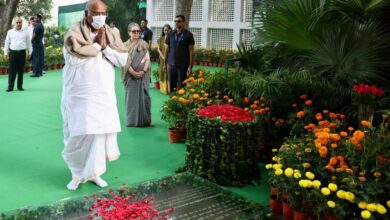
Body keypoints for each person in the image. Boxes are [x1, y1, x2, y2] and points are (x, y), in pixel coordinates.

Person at [61, 0, 128, 190]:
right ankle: (77, 174)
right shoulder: (74, 33)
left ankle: (94, 173)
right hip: (79, 94)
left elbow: (122, 59)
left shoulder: (111, 33)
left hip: (102, 95)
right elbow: (73, 61)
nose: (100, 16)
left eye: (103, 13)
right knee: (78, 134)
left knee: (97, 136)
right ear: (86, 13)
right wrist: (97, 47)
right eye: (96, 13)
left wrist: (105, 47)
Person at [121, 23, 151, 127]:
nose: (136, 33)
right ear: (129, 32)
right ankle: (132, 121)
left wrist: (143, 71)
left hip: (143, 75)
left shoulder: (143, 44)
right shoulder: (124, 46)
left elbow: (147, 59)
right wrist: (132, 72)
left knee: (145, 97)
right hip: (130, 76)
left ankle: (145, 121)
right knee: (131, 98)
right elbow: (124, 61)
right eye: (134, 31)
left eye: (138, 31)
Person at [164, 15, 195, 91]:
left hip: (183, 65)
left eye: (179, 21)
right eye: (175, 21)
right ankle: (172, 101)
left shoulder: (188, 35)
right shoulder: (170, 34)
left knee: (182, 86)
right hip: (172, 65)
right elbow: (167, 49)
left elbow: (192, 51)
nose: (176, 23)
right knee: (172, 87)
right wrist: (165, 64)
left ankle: (181, 101)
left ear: (184, 23)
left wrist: (190, 67)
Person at [3, 18, 32, 92]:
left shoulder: (26, 32)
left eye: (20, 22)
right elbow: (7, 42)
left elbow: (29, 43)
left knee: (21, 70)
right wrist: (5, 53)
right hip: (13, 53)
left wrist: (30, 52)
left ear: (22, 23)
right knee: (12, 70)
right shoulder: (10, 32)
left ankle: (20, 86)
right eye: (17, 22)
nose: (18, 24)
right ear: (14, 23)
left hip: (22, 53)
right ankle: (10, 86)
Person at [157, 24, 172, 94]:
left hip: (170, 58)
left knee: (169, 73)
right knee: (162, 72)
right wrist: (163, 57)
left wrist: (167, 57)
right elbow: (158, 49)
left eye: (167, 30)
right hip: (162, 59)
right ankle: (163, 89)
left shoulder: (172, 38)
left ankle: (170, 89)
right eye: (164, 30)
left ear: (170, 30)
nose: (165, 31)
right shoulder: (161, 39)